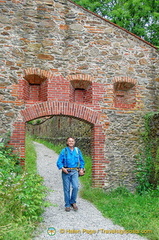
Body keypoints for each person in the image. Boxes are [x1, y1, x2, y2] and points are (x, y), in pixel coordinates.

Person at [56, 137, 85, 212]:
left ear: (74, 142)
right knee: (67, 189)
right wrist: (63, 169)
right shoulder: (64, 151)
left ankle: (73, 201)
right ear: (67, 142)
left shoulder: (77, 151)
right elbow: (59, 162)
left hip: (75, 171)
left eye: (72, 141)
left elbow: (82, 161)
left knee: (75, 187)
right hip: (66, 171)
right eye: (69, 141)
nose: (71, 142)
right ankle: (67, 205)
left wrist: (81, 169)